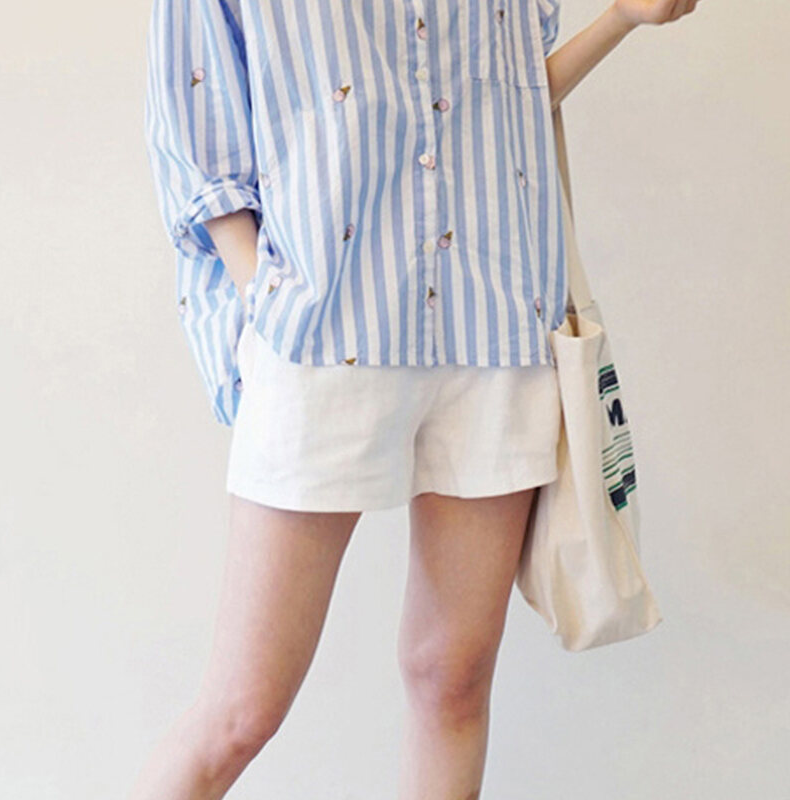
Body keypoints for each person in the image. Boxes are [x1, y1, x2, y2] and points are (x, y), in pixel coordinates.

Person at [130, 1, 701, 798]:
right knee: (242, 710)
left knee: (452, 679)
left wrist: (622, 19)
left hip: (492, 327)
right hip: (326, 336)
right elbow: (199, 131)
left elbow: (514, 103)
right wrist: (265, 293)